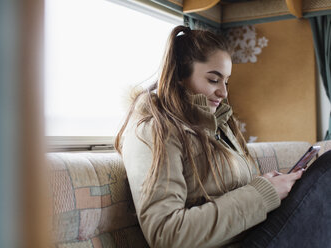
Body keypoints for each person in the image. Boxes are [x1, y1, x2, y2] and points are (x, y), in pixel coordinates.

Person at [115, 25, 331, 247]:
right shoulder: (154, 131)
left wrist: (269, 185)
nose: (224, 92)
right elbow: (167, 234)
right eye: (213, 79)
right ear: (180, 75)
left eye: (226, 81)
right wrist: (262, 193)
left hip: (255, 232)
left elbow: (235, 193)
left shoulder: (221, 125)